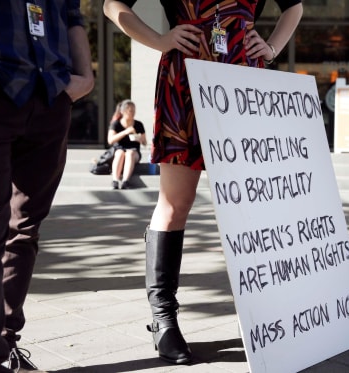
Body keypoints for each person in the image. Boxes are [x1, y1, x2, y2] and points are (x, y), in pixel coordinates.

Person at [103, 0, 302, 364]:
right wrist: (159, 40)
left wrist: (272, 47)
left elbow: (295, 6)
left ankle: (272, 317)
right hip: (184, 79)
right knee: (176, 202)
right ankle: (163, 320)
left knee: (255, 204)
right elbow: (112, 5)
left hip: (244, 82)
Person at [0, 1, 94, 372]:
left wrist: (86, 76)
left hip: (50, 98)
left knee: (26, 228)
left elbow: (72, 15)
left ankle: (6, 339)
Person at [107, 99, 147, 189]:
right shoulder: (116, 124)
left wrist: (140, 138)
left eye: (134, 110)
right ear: (123, 112)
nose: (133, 113)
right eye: (130, 111)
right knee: (120, 153)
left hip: (134, 151)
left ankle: (125, 181)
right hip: (119, 149)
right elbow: (110, 140)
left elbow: (145, 142)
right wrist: (125, 132)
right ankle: (115, 180)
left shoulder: (138, 124)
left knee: (130, 153)